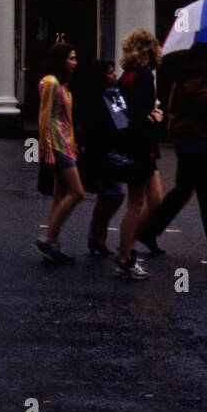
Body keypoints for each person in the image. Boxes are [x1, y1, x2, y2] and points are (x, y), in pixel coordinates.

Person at [137, 45, 207, 263]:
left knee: (182, 192)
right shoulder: (190, 84)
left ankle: (149, 231)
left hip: (191, 142)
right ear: (195, 62)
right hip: (193, 143)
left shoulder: (192, 81)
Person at [117, 28, 165, 259]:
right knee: (135, 203)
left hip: (138, 144)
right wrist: (152, 117)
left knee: (155, 199)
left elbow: (124, 110)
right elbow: (137, 112)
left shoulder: (126, 75)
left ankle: (129, 245)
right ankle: (126, 255)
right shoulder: (144, 74)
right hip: (141, 144)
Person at [35, 43, 83, 265]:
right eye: (71, 58)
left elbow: (66, 120)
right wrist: (46, 149)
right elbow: (44, 117)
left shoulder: (63, 85)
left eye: (75, 58)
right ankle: (47, 238)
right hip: (56, 146)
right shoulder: (50, 83)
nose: (75, 62)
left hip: (66, 145)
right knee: (77, 193)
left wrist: (74, 145)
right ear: (61, 60)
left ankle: (52, 245)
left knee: (59, 195)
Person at [78, 59, 128, 261]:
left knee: (106, 196)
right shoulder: (96, 98)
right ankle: (97, 236)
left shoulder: (113, 94)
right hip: (101, 153)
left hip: (109, 151)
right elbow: (94, 128)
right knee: (115, 194)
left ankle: (97, 237)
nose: (114, 75)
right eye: (109, 73)